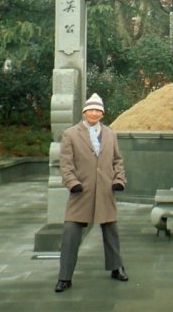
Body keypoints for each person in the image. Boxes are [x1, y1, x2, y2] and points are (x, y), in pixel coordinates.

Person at [54, 93, 128, 292]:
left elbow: (118, 161)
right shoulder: (71, 134)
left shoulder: (110, 134)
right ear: (84, 112)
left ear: (102, 114)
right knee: (71, 232)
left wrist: (119, 180)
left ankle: (116, 267)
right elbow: (66, 164)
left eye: (98, 110)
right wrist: (72, 183)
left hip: (105, 190)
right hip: (81, 190)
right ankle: (64, 276)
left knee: (111, 230)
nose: (94, 113)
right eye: (91, 110)